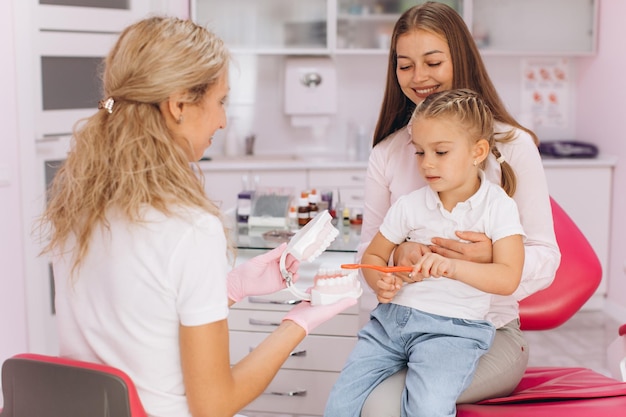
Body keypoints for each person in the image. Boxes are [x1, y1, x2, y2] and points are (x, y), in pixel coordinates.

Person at [37, 16, 355, 417]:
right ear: (179, 106)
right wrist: (298, 323)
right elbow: (214, 405)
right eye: (220, 101)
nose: (223, 120)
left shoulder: (77, 209)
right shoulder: (189, 228)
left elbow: (140, 317)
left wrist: (232, 288)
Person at [357, 2, 561, 415]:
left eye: (432, 61)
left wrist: (493, 258)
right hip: (402, 330)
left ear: (461, 60)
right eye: (405, 65)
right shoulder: (388, 154)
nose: (418, 78)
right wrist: (393, 259)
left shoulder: (513, 146)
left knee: (384, 405)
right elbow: (368, 263)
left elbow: (547, 257)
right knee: (354, 398)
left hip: (488, 332)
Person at [325, 89, 525, 417]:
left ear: (478, 151)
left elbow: (508, 277)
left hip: (454, 332)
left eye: (440, 152)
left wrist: (452, 267)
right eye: (419, 152)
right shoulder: (410, 205)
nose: (427, 163)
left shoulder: (498, 208)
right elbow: (372, 258)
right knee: (341, 404)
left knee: (427, 408)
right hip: (389, 325)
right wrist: (380, 282)